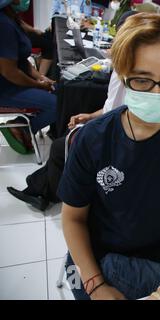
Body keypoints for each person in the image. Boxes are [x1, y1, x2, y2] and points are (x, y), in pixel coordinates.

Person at [58, 12, 160, 300]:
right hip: (96, 257)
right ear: (123, 76)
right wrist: (95, 284)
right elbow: (72, 219)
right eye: (143, 81)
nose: (157, 93)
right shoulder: (93, 139)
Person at [6, 11, 134, 211]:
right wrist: (90, 117)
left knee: (61, 145)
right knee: (65, 137)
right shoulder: (126, 67)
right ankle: (39, 189)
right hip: (117, 122)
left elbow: (114, 112)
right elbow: (114, 107)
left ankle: (46, 192)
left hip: (120, 131)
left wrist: (89, 123)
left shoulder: (124, 71)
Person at [0, 0, 57, 154]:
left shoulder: (12, 18)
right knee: (58, 105)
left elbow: (21, 60)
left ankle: (21, 126)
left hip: (14, 82)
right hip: (6, 88)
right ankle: (20, 126)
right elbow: (9, 71)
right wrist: (37, 85)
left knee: (63, 91)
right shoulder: (4, 25)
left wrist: (40, 77)